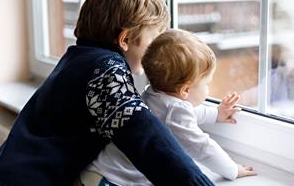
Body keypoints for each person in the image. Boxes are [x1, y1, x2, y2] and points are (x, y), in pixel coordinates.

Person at [0, 0, 214, 186]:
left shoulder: (77, 58)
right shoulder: (105, 68)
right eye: (154, 40)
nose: (156, 51)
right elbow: (142, 131)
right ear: (126, 39)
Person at [79, 29, 257, 185]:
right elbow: (203, 148)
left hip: (95, 171)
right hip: (113, 182)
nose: (208, 88)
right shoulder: (174, 111)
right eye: (207, 83)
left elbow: (185, 113)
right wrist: (233, 170)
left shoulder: (152, 94)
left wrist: (216, 113)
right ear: (185, 89)